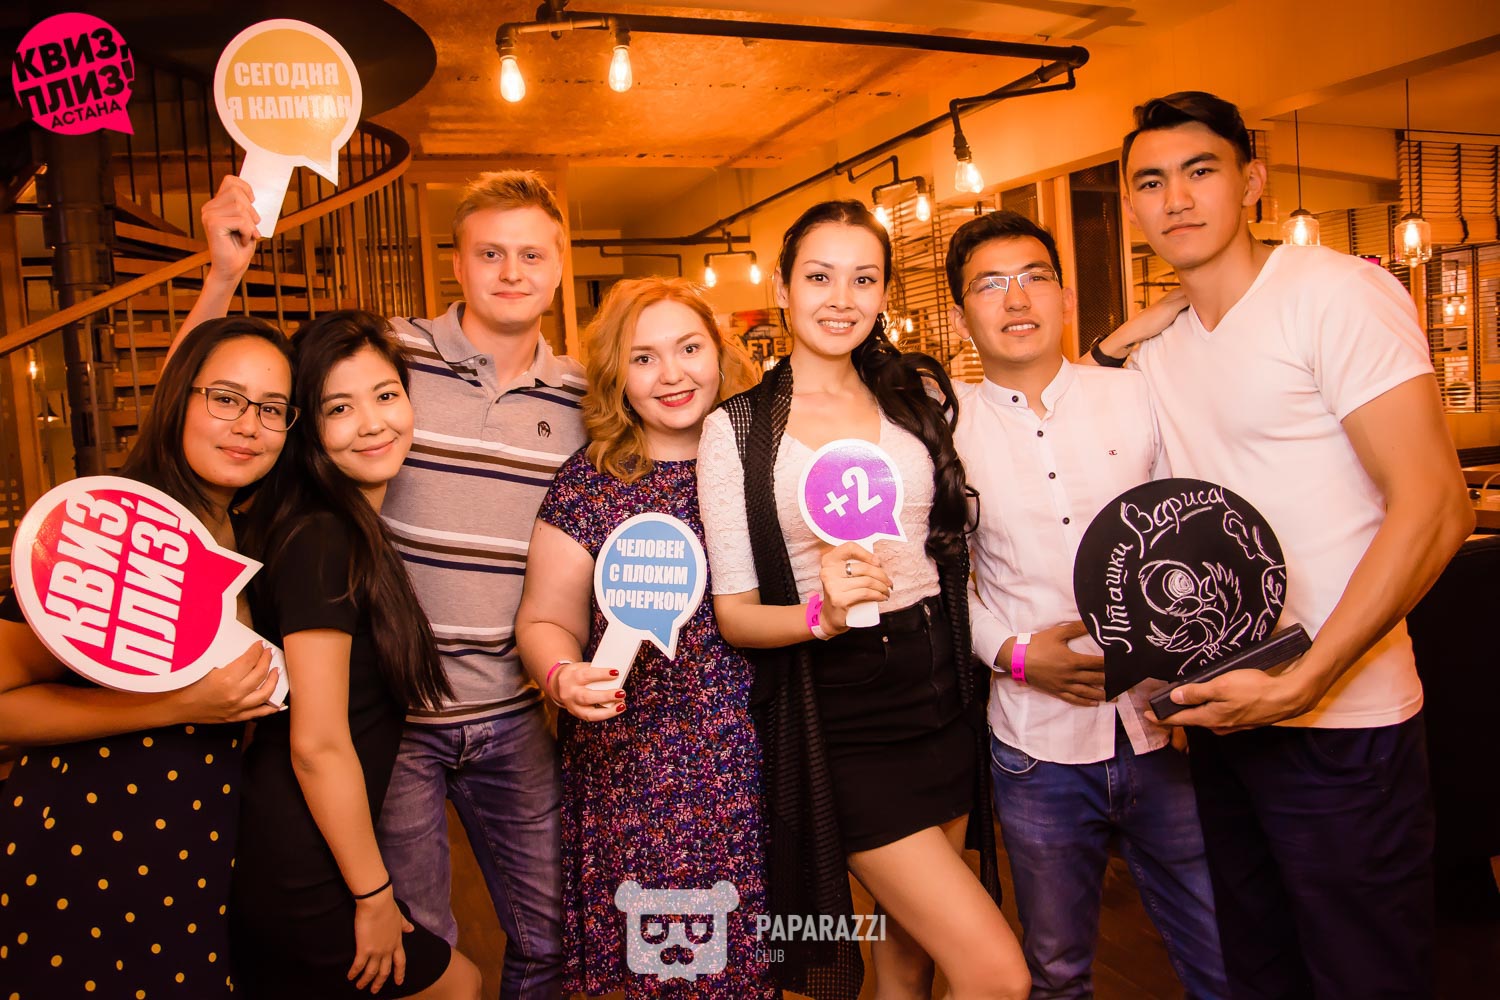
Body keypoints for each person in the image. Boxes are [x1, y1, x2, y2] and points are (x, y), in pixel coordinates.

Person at [181, 170, 587, 997]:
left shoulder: (582, 396)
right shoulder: (388, 357)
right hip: (393, 725)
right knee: (417, 946)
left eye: (531, 254)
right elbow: (208, 401)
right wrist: (221, 278)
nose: (511, 271)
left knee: (555, 934)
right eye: (490, 253)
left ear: (559, 268)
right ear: (457, 264)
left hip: (512, 713)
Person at [1114, 91, 1474, 998]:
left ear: (1253, 183)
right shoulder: (1159, 349)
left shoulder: (1333, 293)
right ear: (1131, 206)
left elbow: (1438, 505)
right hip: (1229, 713)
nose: (1176, 199)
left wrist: (1308, 680)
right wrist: (1131, 332)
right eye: (1150, 182)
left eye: (1201, 171)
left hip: (1345, 719)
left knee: (1365, 976)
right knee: (1259, 972)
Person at [697, 200, 1029, 1000]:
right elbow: (735, 614)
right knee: (996, 974)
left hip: (943, 692)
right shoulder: (737, 430)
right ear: (782, 287)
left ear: (883, 292)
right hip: (842, 714)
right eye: (819, 277)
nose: (841, 299)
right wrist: (823, 614)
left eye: (863, 278)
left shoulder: (913, 400)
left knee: (909, 961)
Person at [945, 209, 1227, 999]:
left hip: (1162, 727)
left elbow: (1191, 537)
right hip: (1036, 747)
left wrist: (1189, 671)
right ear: (962, 315)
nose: (1017, 298)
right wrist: (1014, 655)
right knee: (1058, 970)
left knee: (1219, 953)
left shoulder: (1135, 395)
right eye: (990, 285)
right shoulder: (945, 431)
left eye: (1035, 276)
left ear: (1065, 296)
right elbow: (941, 580)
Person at [0, 317, 291, 999]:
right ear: (178, 398)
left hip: (195, 849)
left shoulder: (247, 532)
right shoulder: (110, 524)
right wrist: (181, 705)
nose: (248, 426)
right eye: (226, 398)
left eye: (272, 408)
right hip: (82, 846)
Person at [513, 277, 773, 998]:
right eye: (643, 357)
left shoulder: (761, 470)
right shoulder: (591, 483)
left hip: (755, 762)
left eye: (689, 348)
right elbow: (542, 619)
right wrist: (561, 675)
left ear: (720, 354)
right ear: (616, 377)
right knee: (665, 969)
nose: (672, 374)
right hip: (638, 771)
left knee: (748, 969)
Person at [230, 311, 481, 999]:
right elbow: (316, 743)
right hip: (300, 864)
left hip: (311, 844)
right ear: (307, 427)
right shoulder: (322, 538)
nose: (372, 424)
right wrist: (374, 895)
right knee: (459, 984)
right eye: (339, 408)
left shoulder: (349, 526)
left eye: (386, 395)